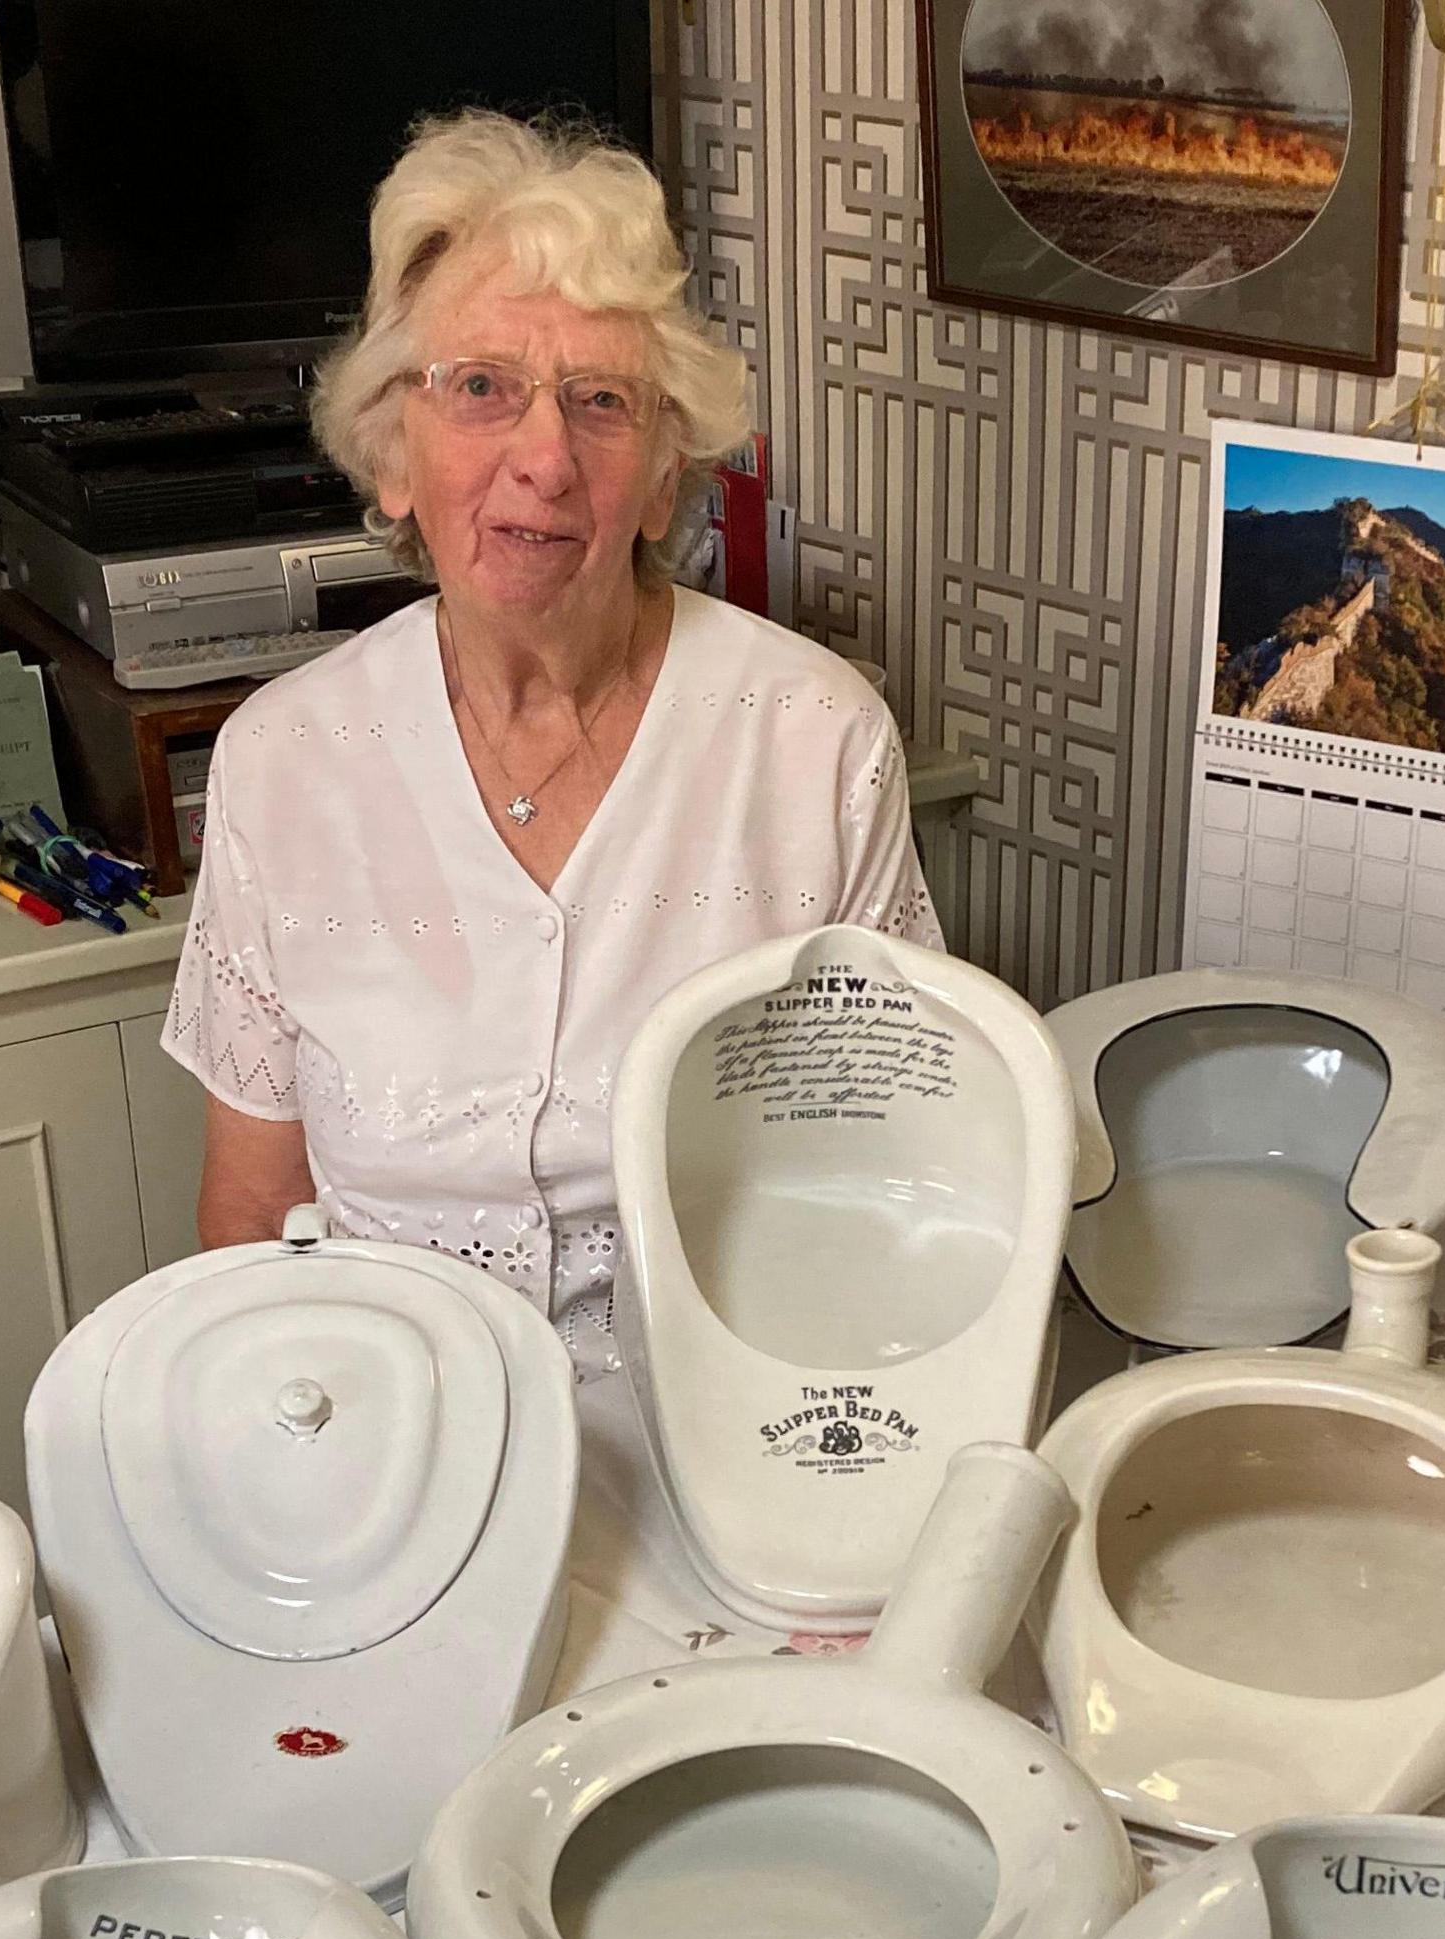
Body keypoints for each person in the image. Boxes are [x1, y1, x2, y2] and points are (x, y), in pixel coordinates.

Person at [163, 111, 938, 1665]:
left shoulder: (812, 742)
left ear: (662, 476)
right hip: (387, 1454)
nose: (541, 455)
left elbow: (894, 1187)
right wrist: (259, 1503)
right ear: (395, 452)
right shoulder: (282, 764)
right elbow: (251, 1216)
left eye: (600, 402)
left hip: (727, 1460)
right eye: (480, 389)